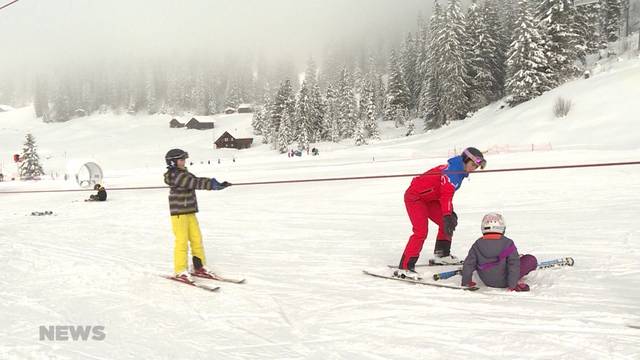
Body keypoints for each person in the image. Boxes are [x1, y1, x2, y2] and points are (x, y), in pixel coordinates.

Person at [395, 147, 486, 279]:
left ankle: (441, 254)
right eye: (473, 165)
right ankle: (405, 267)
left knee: (448, 222)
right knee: (421, 231)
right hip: (415, 198)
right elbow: (446, 196)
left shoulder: (459, 171)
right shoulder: (453, 172)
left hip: (430, 199)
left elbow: (446, 195)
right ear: (465, 160)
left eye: (476, 167)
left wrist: (449, 213)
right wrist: (447, 214)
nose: (474, 169)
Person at [163, 148, 232, 283]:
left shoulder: (183, 173)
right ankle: (180, 270)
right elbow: (194, 182)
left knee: (196, 239)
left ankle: (198, 266)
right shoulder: (175, 175)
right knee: (182, 241)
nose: (184, 162)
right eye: (181, 160)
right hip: (179, 214)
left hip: (189, 211)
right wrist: (211, 184)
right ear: (172, 162)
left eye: (184, 160)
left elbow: (194, 180)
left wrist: (214, 184)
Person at [461, 213, 536, 292]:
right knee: (530, 259)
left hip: (487, 281)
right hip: (506, 281)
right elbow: (513, 265)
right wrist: (512, 285)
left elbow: (468, 264)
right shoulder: (508, 243)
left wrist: (466, 282)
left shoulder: (477, 244)